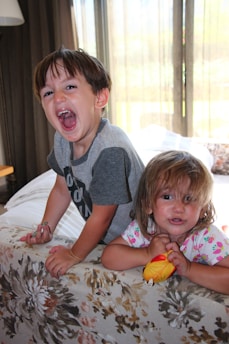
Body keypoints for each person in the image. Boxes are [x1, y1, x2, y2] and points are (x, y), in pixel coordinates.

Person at [20, 47, 144, 278]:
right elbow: (61, 189)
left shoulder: (110, 150)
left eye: (70, 87)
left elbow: (102, 216)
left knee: (111, 259)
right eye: (48, 93)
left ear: (100, 97)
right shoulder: (61, 140)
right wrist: (46, 228)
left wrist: (75, 254)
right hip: (113, 235)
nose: (58, 97)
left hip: (145, 233)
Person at [101, 150, 229, 294]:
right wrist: (147, 254)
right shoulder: (145, 229)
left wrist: (190, 269)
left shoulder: (206, 237)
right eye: (167, 197)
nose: (179, 208)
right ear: (148, 204)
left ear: (203, 209)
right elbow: (109, 258)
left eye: (188, 198)